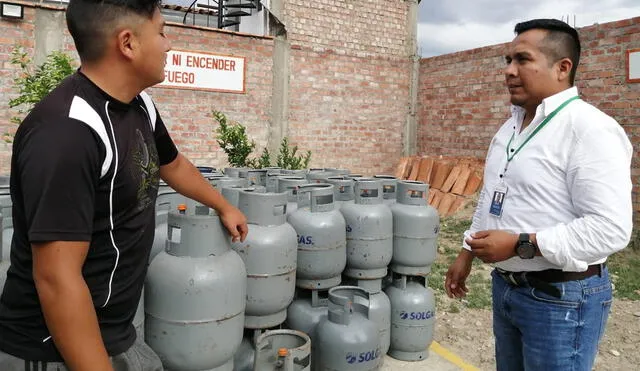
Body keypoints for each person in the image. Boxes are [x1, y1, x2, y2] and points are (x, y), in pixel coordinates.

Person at [0, 0, 248, 370]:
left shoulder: (139, 105)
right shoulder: (66, 134)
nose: (168, 44)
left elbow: (172, 163)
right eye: (162, 31)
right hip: (54, 346)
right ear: (128, 43)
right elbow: (56, 278)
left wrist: (222, 205)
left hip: (113, 329)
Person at [445, 18, 632, 371]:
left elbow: (610, 229)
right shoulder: (510, 127)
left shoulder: (590, 130)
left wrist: (520, 244)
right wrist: (466, 251)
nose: (509, 71)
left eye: (522, 59)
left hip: (560, 299)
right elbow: (492, 194)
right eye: (507, 61)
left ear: (563, 68)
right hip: (507, 289)